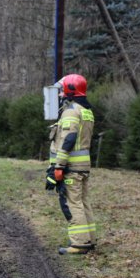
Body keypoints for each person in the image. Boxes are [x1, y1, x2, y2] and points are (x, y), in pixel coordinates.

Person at [45, 74, 97, 254]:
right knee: (83, 202)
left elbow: (68, 140)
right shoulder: (86, 110)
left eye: (62, 91)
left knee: (72, 203)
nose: (60, 95)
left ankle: (79, 244)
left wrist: (58, 167)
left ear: (71, 90)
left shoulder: (70, 111)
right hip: (82, 167)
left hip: (71, 168)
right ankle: (89, 239)